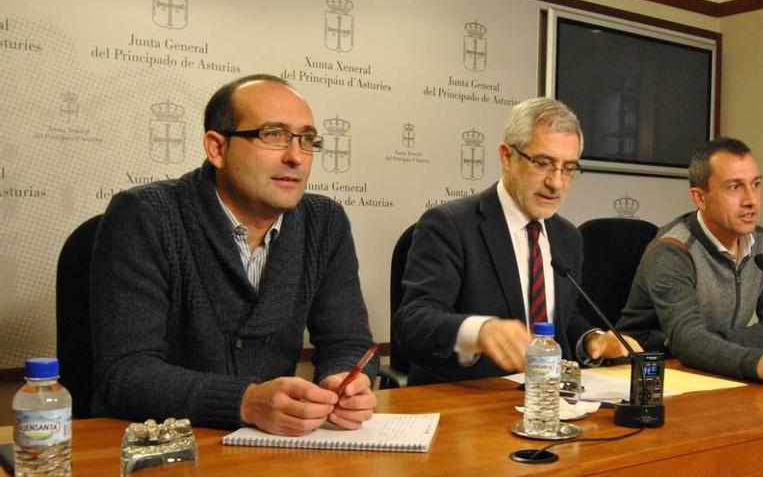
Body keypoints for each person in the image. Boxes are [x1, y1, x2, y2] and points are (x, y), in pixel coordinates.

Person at [90, 74, 377, 436]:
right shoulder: (144, 215)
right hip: (164, 445)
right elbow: (125, 372)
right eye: (273, 135)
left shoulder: (325, 222)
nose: (296, 158)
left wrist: (346, 380)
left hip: (276, 445)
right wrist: (246, 401)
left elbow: (348, 341)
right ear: (217, 149)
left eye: (307, 140)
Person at [393, 97, 641, 385]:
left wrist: (591, 341)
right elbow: (413, 322)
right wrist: (479, 331)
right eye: (543, 163)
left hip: (546, 400)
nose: (556, 183)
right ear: (507, 157)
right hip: (467, 401)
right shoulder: (450, 225)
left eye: (568, 168)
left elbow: (560, 317)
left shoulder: (567, 237)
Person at [617, 137, 763, 381]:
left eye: (756, 184)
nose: (751, 200)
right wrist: (755, 361)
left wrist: (709, 344)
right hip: (653, 372)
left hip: (715, 368)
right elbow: (687, 340)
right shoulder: (672, 249)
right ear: (699, 198)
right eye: (735, 187)